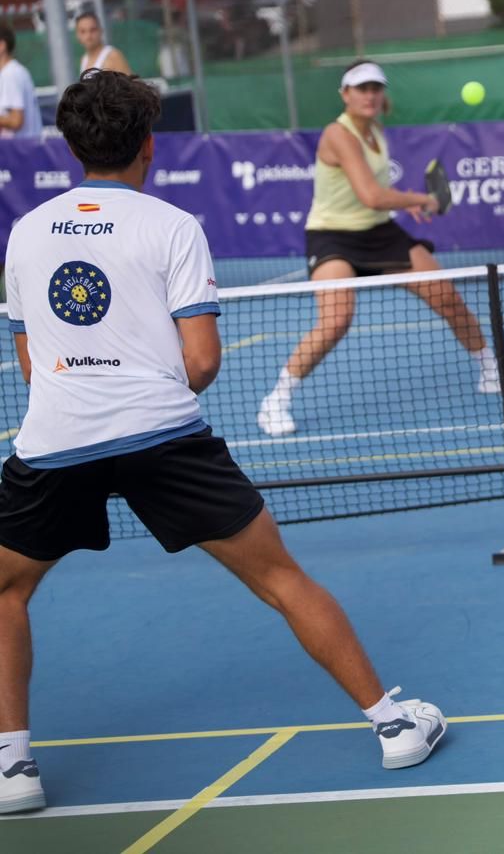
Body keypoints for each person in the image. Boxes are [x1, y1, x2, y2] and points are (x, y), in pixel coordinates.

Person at [0, 70, 445, 816]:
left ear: (69, 147)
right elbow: (202, 362)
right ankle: (394, 725)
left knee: (7, 590)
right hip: (165, 437)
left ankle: (13, 768)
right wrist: (145, 397)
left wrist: (86, 391)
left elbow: (30, 360)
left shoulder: (26, 231)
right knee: (280, 578)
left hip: (55, 440)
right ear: (149, 146)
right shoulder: (172, 226)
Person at [256, 60, 504, 437]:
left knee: (446, 296)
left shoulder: (377, 132)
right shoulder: (339, 134)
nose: (369, 95)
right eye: (361, 89)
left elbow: (375, 196)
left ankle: (490, 370)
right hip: (332, 236)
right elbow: (370, 194)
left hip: (378, 232)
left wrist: (406, 203)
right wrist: (423, 199)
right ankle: (276, 401)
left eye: (375, 88)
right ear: (345, 94)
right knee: (336, 320)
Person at [0, 27, 41, 140]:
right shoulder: (11, 72)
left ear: (2, 45)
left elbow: (16, 121)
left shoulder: (10, 74)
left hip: (21, 152)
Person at [74, 11, 132, 76]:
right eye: (83, 31)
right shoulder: (84, 59)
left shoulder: (113, 56)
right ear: (77, 35)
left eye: (93, 30)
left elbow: (128, 84)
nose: (88, 36)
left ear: (101, 30)